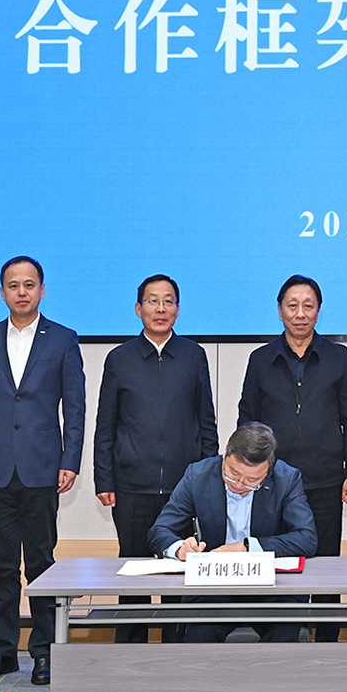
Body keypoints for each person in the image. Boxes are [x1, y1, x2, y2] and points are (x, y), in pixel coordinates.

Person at [149, 424, 318, 692]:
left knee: (282, 637)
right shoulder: (198, 475)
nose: (240, 485)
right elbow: (160, 529)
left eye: (252, 481)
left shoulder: (287, 478)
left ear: (268, 470)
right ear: (226, 457)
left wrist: (247, 547)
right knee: (198, 638)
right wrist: (179, 548)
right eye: (234, 475)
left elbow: (306, 538)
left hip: (269, 589)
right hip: (214, 588)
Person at [0, 255, 86, 687]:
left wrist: (70, 460)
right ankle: (2, 652)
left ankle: (44, 652)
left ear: (42, 290)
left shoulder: (63, 339)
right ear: (2, 293)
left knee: (41, 565)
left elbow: (75, 407)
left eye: (29, 284)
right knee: (0, 566)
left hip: (42, 467)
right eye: (13, 285)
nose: (22, 292)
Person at [236, 274, 347, 642]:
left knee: (326, 565)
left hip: (325, 479)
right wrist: (247, 472)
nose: (300, 313)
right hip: (273, 481)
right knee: (276, 561)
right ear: (280, 311)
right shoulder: (261, 359)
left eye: (308, 306)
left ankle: (327, 639)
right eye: (292, 306)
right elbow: (247, 419)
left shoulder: (338, 357)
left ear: (318, 311)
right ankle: (280, 637)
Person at [93, 273, 215, 643]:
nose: (161, 309)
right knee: (134, 572)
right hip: (131, 485)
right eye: (152, 301)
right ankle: (131, 653)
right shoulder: (119, 359)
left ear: (177, 308)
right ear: (138, 308)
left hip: (183, 487)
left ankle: (176, 650)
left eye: (168, 301)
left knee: (180, 573)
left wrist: (209, 478)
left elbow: (206, 421)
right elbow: (106, 424)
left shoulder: (193, 355)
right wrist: (104, 479)